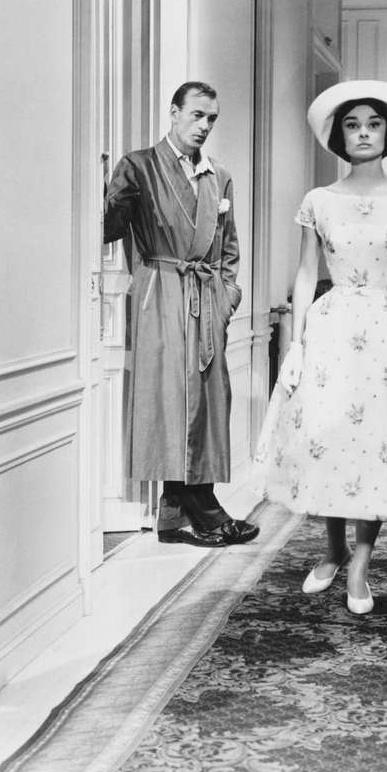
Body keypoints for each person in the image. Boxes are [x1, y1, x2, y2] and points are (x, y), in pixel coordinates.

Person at [251, 79, 387, 612]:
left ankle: (360, 563)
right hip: (331, 327)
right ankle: (332, 549)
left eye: (373, 124)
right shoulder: (319, 200)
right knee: (329, 437)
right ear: (339, 136)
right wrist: (295, 345)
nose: (363, 133)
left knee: (377, 443)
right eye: (353, 125)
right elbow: (305, 272)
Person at [104, 81, 258, 547]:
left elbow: (229, 250)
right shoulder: (139, 167)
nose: (205, 126)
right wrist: (99, 186)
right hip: (161, 294)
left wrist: (226, 300)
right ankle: (203, 508)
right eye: (196, 115)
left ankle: (179, 511)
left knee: (207, 401)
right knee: (172, 400)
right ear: (173, 113)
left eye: (212, 118)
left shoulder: (219, 177)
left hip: (205, 300)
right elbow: (106, 228)